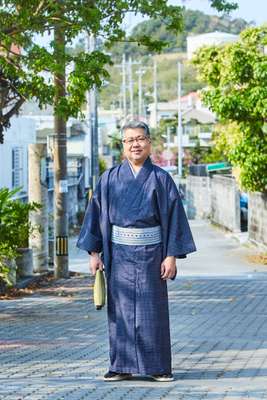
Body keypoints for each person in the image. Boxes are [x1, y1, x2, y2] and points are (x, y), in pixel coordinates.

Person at [77, 120, 196, 382]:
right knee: (119, 311)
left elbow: (175, 217)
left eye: (140, 138)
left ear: (149, 142)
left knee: (151, 311)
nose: (135, 144)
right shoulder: (109, 179)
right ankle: (120, 365)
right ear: (123, 145)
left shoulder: (161, 179)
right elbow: (95, 216)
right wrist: (94, 254)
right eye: (130, 140)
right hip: (118, 255)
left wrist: (171, 255)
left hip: (152, 254)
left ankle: (158, 366)